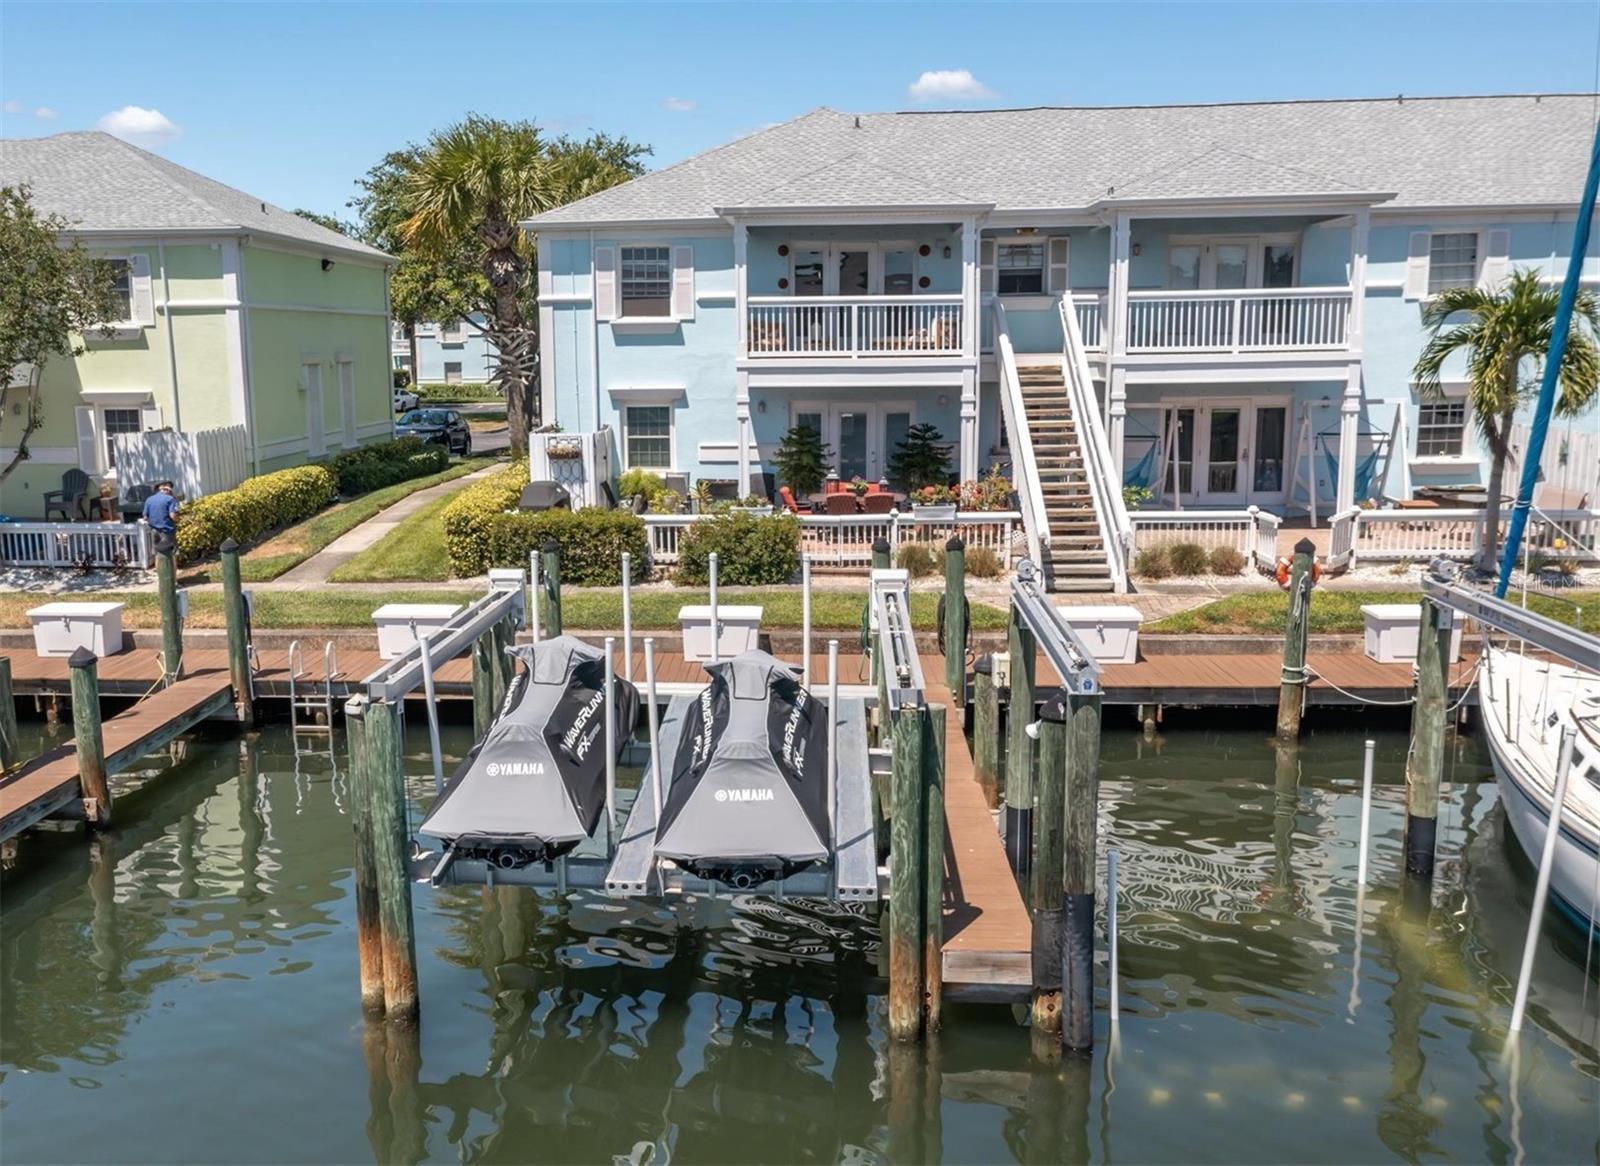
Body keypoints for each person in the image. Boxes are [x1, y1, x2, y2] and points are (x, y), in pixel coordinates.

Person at [142, 480, 180, 553]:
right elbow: (173, 516)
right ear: (168, 490)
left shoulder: (149, 499)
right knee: (170, 553)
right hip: (167, 531)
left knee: (157, 552)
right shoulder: (170, 499)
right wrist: (178, 520)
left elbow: (145, 517)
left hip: (153, 531)